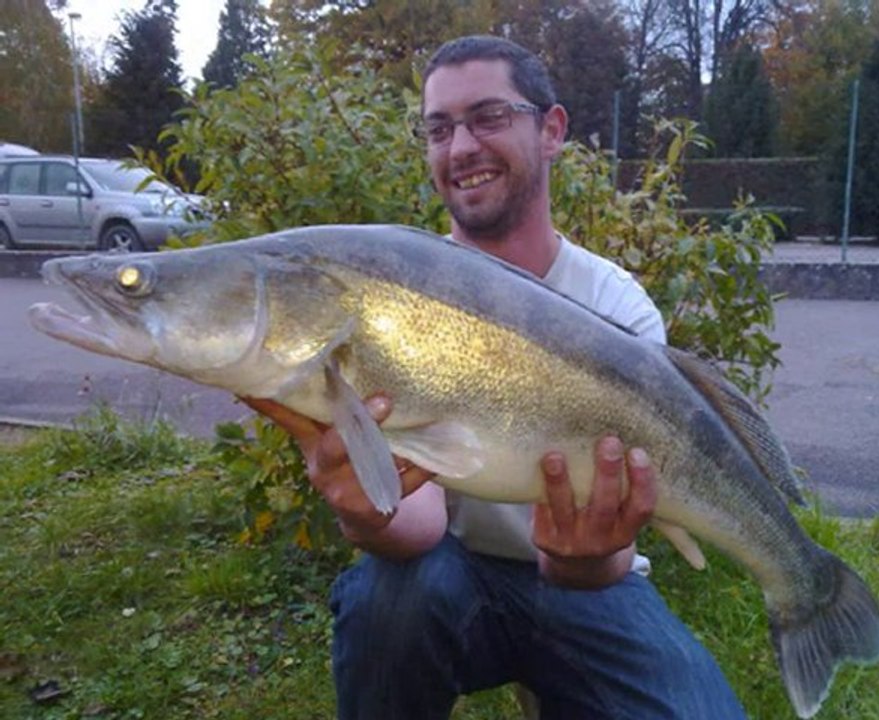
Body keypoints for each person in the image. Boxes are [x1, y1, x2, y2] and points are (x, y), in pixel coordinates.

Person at [246, 35, 746, 720]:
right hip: (451, 576)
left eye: (488, 117)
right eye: (439, 129)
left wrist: (580, 562)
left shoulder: (616, 306)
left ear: (551, 130)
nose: (460, 148)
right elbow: (415, 533)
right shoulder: (383, 302)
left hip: (594, 587)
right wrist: (366, 510)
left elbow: (606, 556)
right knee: (389, 598)